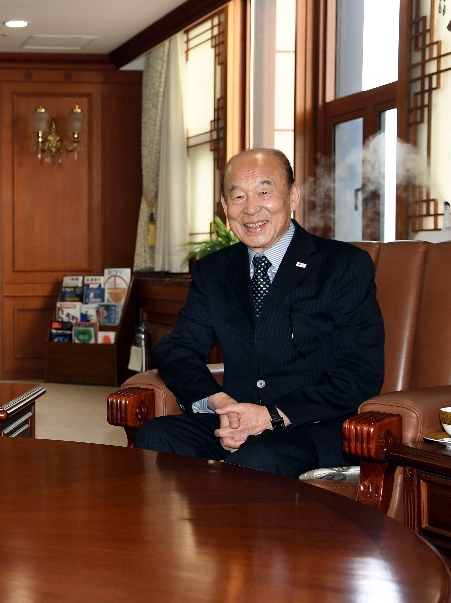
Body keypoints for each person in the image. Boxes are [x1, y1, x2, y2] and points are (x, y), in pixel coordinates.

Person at [134, 148, 384, 477]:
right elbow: (178, 348)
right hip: (233, 420)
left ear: (293, 195)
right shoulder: (215, 271)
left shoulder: (342, 266)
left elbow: (359, 374)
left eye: (265, 192)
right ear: (225, 207)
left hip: (311, 425)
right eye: (237, 197)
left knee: (259, 457)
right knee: (156, 436)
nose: (251, 209)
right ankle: (188, 530)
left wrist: (272, 416)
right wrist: (218, 402)